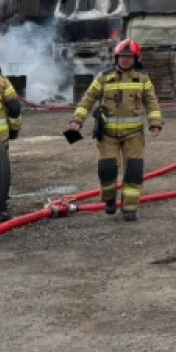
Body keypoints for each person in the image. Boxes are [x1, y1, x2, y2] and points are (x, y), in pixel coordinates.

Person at [68, 40, 162, 222]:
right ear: (116, 58)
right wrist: (77, 120)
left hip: (134, 135)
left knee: (134, 171)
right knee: (107, 169)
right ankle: (109, 199)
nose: (125, 60)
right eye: (122, 57)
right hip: (107, 135)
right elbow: (88, 99)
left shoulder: (142, 78)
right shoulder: (104, 77)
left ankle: (130, 208)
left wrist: (155, 123)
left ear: (136, 59)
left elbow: (152, 102)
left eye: (129, 57)